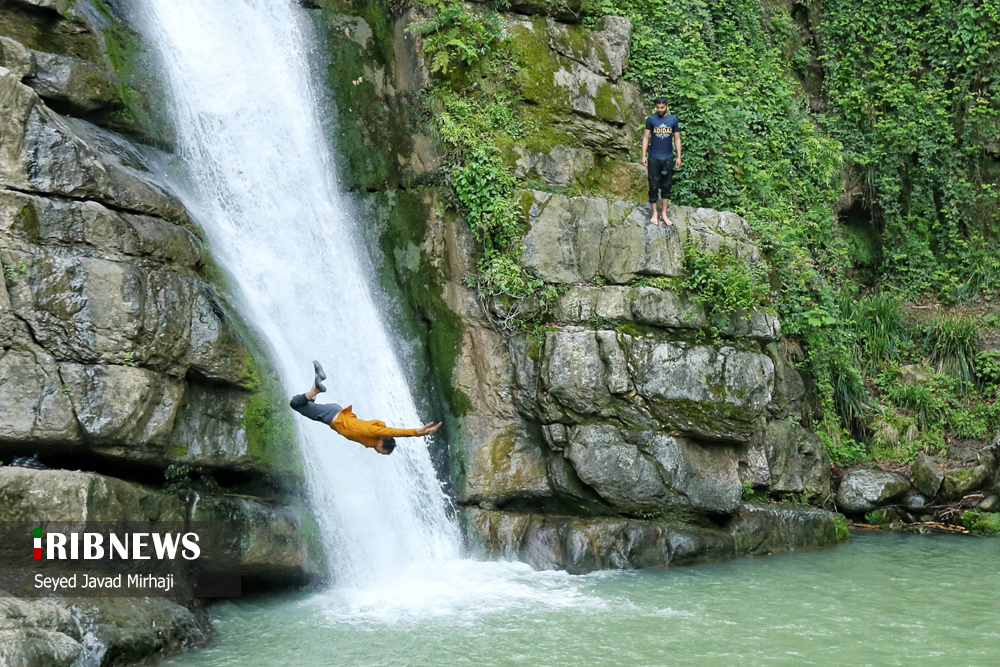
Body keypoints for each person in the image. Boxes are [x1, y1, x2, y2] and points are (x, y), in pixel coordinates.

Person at [289, 361, 442, 455]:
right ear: (382, 443)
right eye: (383, 452)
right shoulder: (374, 433)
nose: (380, 454)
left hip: (333, 414)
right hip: (333, 416)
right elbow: (392, 432)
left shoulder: (371, 440)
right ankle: (316, 388)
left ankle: (318, 381)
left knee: (307, 406)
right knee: (295, 404)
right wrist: (415, 432)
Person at [640, 96, 682, 226]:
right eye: (658, 107)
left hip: (668, 158)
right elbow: (646, 137)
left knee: (667, 185)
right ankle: (654, 213)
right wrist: (643, 155)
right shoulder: (651, 119)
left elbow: (677, 139)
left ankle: (664, 213)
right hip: (653, 157)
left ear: (667, 107)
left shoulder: (673, 120)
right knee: (653, 185)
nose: (660, 109)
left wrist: (679, 156)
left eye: (662, 107)